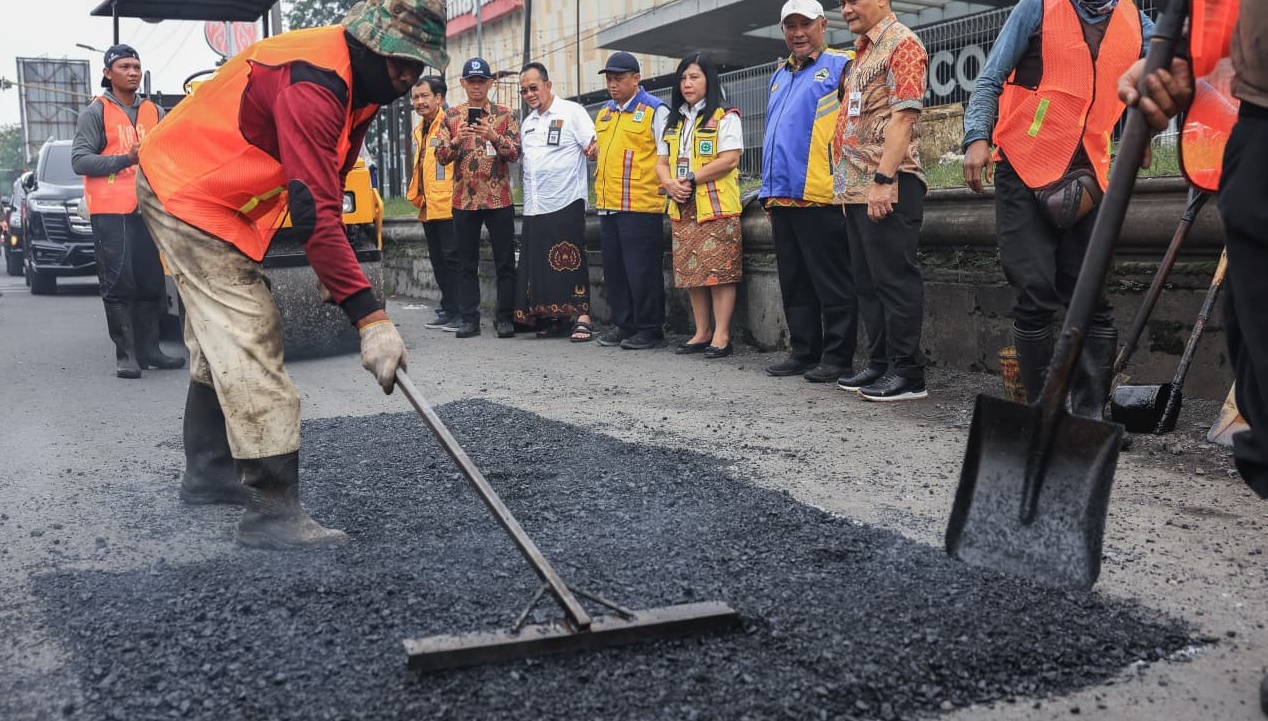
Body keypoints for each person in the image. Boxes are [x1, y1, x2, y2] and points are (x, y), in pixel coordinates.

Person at [134, 0, 443, 549]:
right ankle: (272, 513)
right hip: (185, 185)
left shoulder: (362, 85)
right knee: (248, 329)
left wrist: (336, 270)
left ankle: (209, 473)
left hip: (213, 192)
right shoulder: (313, 83)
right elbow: (311, 210)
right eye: (398, 59)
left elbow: (333, 175)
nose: (406, 75)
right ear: (366, 42)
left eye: (416, 64)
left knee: (218, 337)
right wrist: (371, 320)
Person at [963, 0, 1155, 416]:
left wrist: (1147, 127)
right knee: (1034, 293)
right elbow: (990, 79)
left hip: (1088, 174)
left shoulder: (1138, 23)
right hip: (1023, 165)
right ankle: (1046, 414)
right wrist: (977, 137)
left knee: (1092, 297)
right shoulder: (1036, 7)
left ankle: (1089, 418)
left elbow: (1169, 78)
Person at [758, 0, 873, 384]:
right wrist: (766, 192)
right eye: (790, 26)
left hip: (822, 193)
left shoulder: (842, 65)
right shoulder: (779, 75)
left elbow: (860, 125)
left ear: (823, 25)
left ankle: (838, 358)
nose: (798, 33)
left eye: (805, 24)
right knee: (795, 282)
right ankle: (804, 351)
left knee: (832, 281)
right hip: (781, 194)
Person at [831, 0, 929, 402]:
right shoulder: (862, 52)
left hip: (889, 182)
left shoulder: (902, 43)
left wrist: (884, 179)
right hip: (856, 188)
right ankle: (880, 363)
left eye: (852, 0)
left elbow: (903, 117)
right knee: (867, 283)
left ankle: (908, 373)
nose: (845, 9)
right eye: (841, 3)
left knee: (894, 280)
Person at [71, 44, 185, 380]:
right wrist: (126, 159)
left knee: (150, 283)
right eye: (124, 67)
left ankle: (150, 351)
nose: (132, 72)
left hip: (148, 209)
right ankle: (126, 355)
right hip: (111, 212)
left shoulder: (154, 111)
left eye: (136, 66)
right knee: (119, 285)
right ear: (108, 73)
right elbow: (80, 160)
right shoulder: (95, 113)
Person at [656, 52, 743, 359]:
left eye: (694, 77)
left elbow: (729, 159)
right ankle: (702, 331)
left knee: (720, 272)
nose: (687, 84)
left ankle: (722, 334)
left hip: (716, 206)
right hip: (683, 206)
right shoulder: (674, 120)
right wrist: (669, 184)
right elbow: (661, 161)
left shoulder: (725, 115)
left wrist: (692, 178)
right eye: (683, 78)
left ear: (709, 80)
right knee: (692, 273)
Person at [434, 57, 522, 339]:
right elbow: (440, 158)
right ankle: (469, 318)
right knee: (465, 264)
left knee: (505, 261)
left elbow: (515, 154)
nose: (476, 86)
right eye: (471, 81)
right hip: (464, 200)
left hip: (498, 199)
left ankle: (505, 317)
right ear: (462, 83)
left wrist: (494, 136)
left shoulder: (505, 114)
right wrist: (456, 140)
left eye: (481, 81)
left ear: (490, 83)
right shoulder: (451, 116)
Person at [513, 62, 598, 342]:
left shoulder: (572, 112)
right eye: (524, 91)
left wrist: (594, 150)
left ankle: (582, 316)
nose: (529, 94)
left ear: (548, 85)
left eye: (533, 88)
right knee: (542, 266)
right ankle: (554, 318)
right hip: (535, 204)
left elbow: (593, 145)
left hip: (566, 198)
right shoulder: (528, 123)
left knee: (570, 259)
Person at [593, 51, 669, 350]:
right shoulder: (605, 112)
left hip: (641, 204)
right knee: (615, 271)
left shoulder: (654, 110)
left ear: (636, 78)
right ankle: (624, 325)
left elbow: (666, 154)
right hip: (608, 204)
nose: (613, 85)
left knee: (642, 271)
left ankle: (650, 329)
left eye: (619, 79)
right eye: (610, 79)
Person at [405, 74, 459, 332]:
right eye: (415, 97)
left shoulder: (450, 123)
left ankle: (460, 311)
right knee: (438, 262)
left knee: (453, 260)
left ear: (439, 98)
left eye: (425, 96)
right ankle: (449, 308)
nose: (419, 102)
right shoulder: (420, 129)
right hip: (428, 205)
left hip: (449, 204)